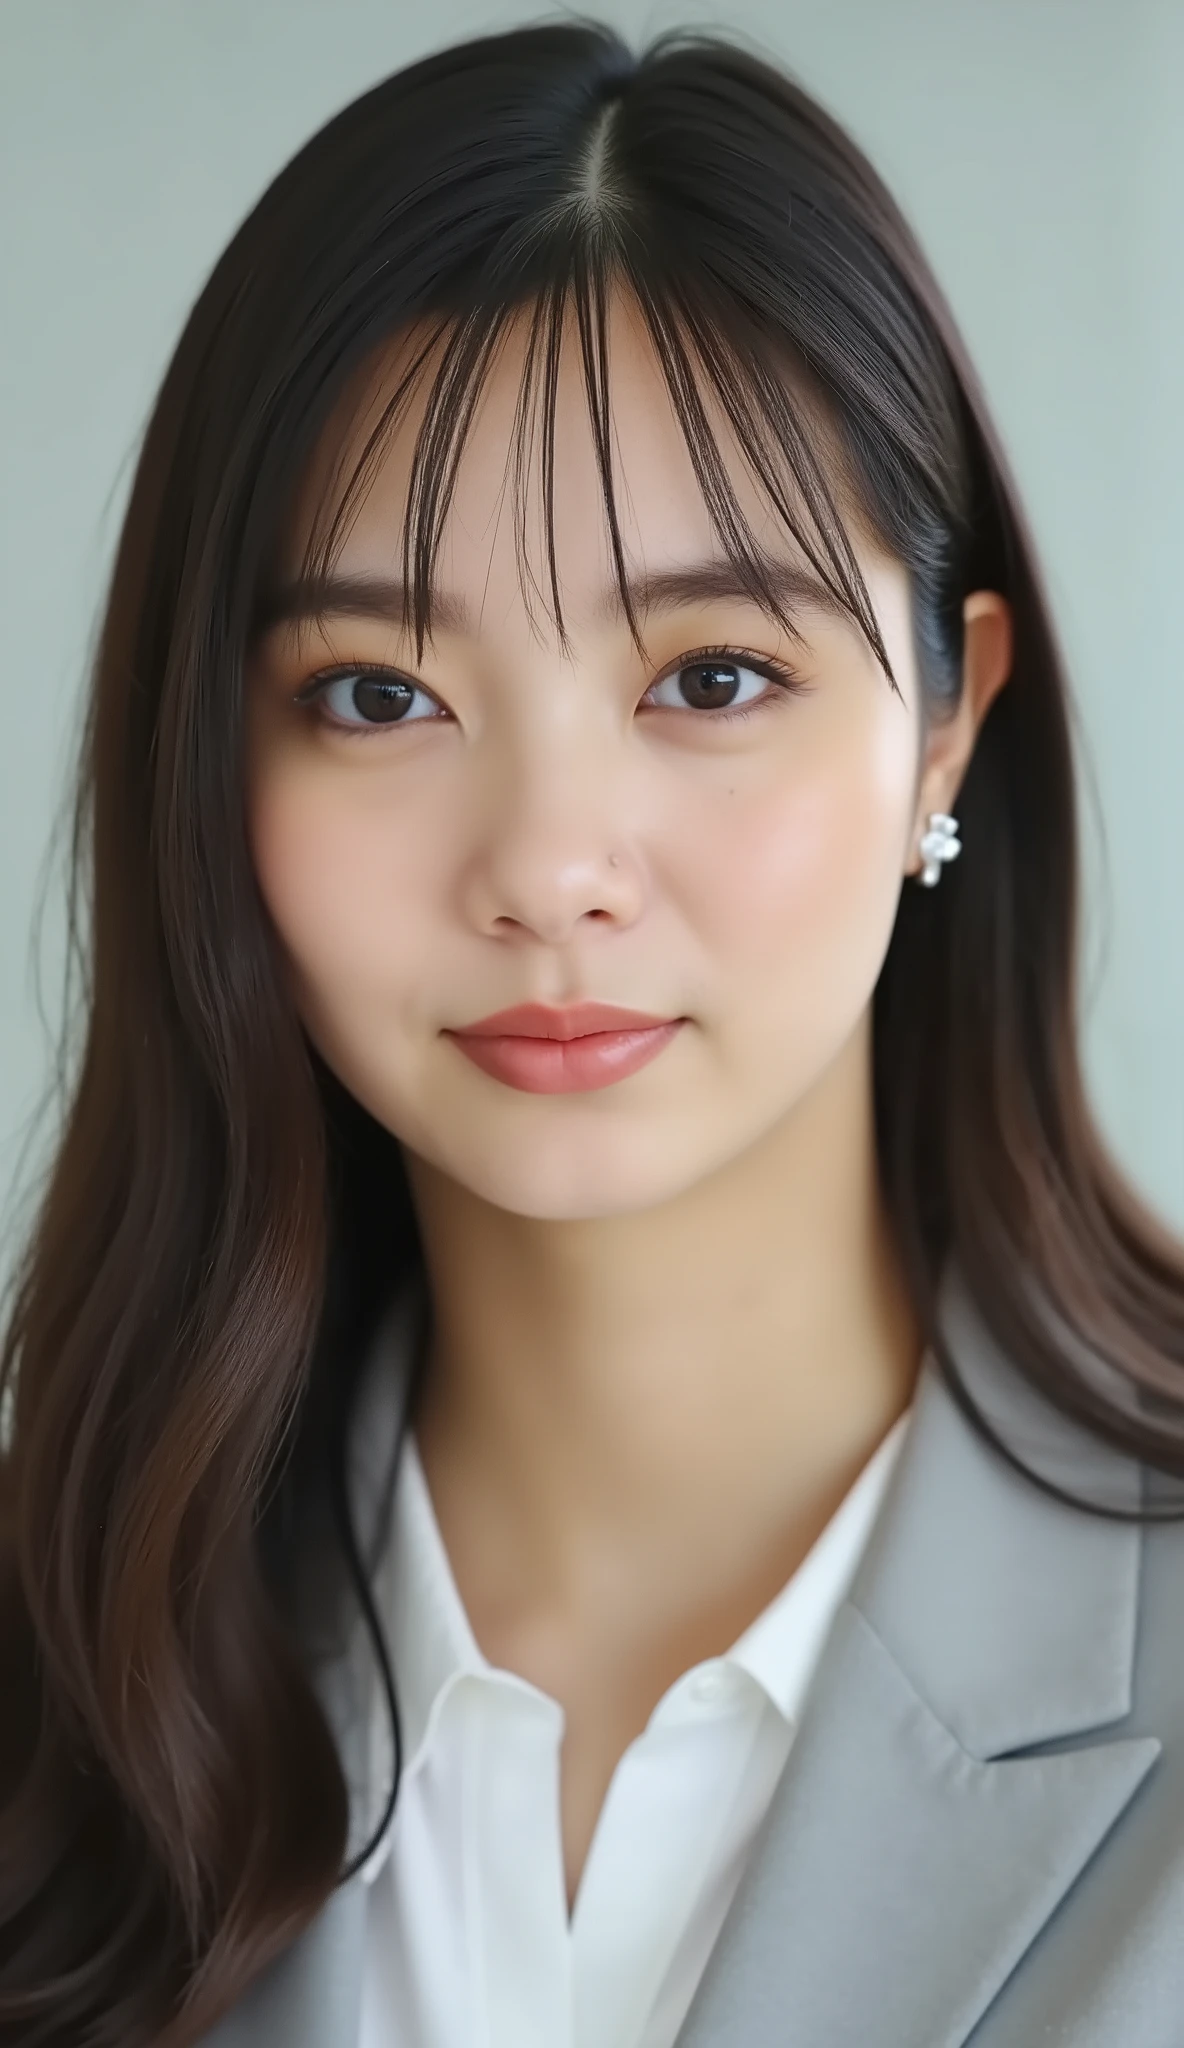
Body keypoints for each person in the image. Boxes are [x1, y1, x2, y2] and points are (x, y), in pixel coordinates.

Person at [2, 18, 1183, 2048]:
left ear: (946, 722)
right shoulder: (59, 1693)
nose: (550, 869)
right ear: (211, 764)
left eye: (710, 676)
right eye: (378, 694)